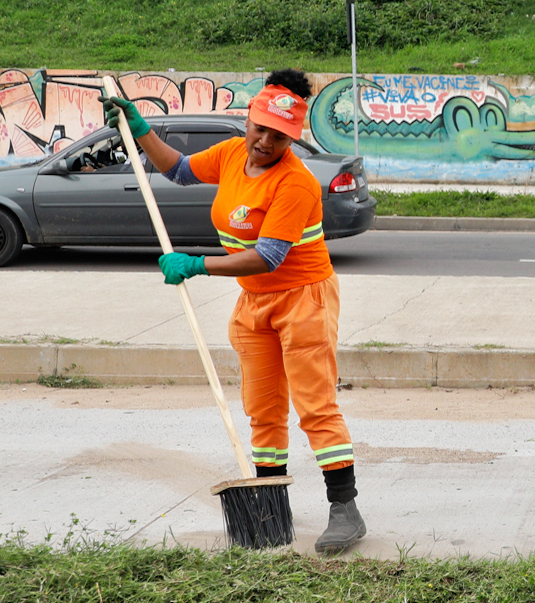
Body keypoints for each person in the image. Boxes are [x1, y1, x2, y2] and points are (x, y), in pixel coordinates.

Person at [101, 70, 365, 556]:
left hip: (303, 298)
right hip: (255, 302)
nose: (264, 141)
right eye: (259, 128)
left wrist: (197, 264)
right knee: (262, 409)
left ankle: (345, 509)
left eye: (279, 136)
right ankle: (269, 506)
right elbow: (178, 169)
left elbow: (267, 257)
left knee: (314, 406)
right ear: (249, 120)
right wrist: (140, 130)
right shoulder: (230, 155)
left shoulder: (296, 184)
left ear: (292, 138)